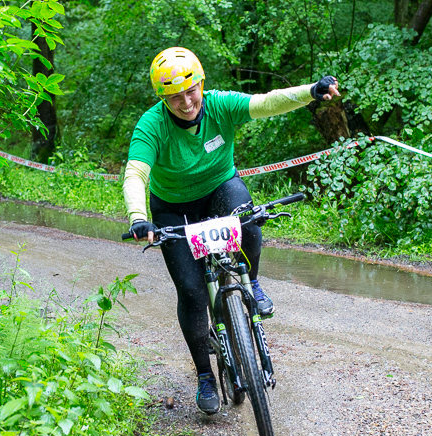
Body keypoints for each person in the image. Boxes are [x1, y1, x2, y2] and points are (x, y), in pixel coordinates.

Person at [123, 46, 340, 415]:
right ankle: (205, 376)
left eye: (191, 91)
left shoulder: (220, 105)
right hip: (173, 208)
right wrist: (138, 217)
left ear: (201, 84)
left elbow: (267, 102)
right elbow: (135, 174)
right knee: (192, 292)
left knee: (248, 217)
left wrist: (310, 92)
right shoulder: (152, 125)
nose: (186, 103)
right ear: (162, 98)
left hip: (220, 189)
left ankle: (251, 282)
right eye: (174, 97)